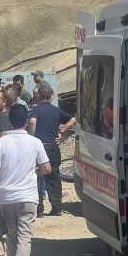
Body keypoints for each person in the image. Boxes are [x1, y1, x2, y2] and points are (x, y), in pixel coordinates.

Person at [0, 105, 51, 256]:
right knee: (24, 239)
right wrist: (35, 171)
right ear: (27, 122)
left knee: (12, 237)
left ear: (10, 122)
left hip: (6, 198)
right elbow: (47, 168)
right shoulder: (35, 142)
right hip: (28, 198)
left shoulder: (0, 143)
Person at [28, 82, 75, 217]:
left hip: (39, 148)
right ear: (51, 96)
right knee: (54, 178)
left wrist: (31, 138)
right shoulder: (56, 110)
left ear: (39, 96)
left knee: (37, 178)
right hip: (53, 147)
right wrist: (63, 130)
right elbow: (73, 119)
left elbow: (32, 122)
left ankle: (39, 209)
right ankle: (57, 207)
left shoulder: (35, 110)